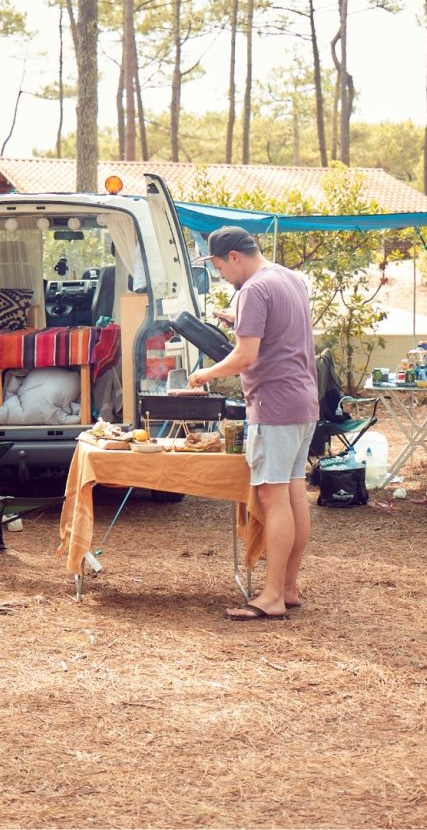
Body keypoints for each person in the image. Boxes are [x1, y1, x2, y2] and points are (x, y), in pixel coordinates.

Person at [187, 226, 318, 620]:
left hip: (274, 404)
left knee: (272, 498)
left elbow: (245, 357)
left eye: (218, 267)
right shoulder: (288, 278)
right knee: (294, 494)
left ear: (234, 257)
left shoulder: (253, 291)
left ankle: (272, 596)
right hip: (302, 402)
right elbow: (280, 333)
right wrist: (236, 319)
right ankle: (289, 588)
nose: (221, 276)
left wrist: (204, 376)